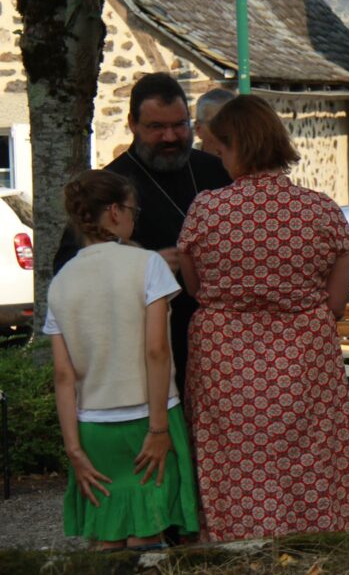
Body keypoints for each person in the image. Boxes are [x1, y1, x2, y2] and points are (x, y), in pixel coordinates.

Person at [177, 95, 349, 541]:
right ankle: (316, 549)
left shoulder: (206, 210)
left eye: (221, 150)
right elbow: (336, 302)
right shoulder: (322, 211)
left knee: (231, 463)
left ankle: (236, 547)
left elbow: (195, 287)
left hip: (224, 364)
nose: (220, 161)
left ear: (236, 145)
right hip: (304, 361)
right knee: (310, 459)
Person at [54, 73, 232, 399]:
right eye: (156, 127)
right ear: (133, 124)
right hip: (150, 348)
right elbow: (68, 269)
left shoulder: (216, 170)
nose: (170, 137)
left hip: (222, 345)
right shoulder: (110, 185)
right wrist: (143, 265)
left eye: (179, 125)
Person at [47, 170, 199, 549]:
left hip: (93, 429)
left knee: (106, 533)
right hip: (150, 418)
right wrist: (160, 429)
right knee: (147, 532)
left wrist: (74, 450)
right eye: (133, 209)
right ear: (114, 212)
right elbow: (156, 350)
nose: (135, 217)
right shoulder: (147, 265)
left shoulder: (62, 280)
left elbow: (63, 376)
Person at [193, 87, 235, 157]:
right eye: (217, 125)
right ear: (198, 129)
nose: (227, 132)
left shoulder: (254, 164)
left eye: (234, 124)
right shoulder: (189, 165)